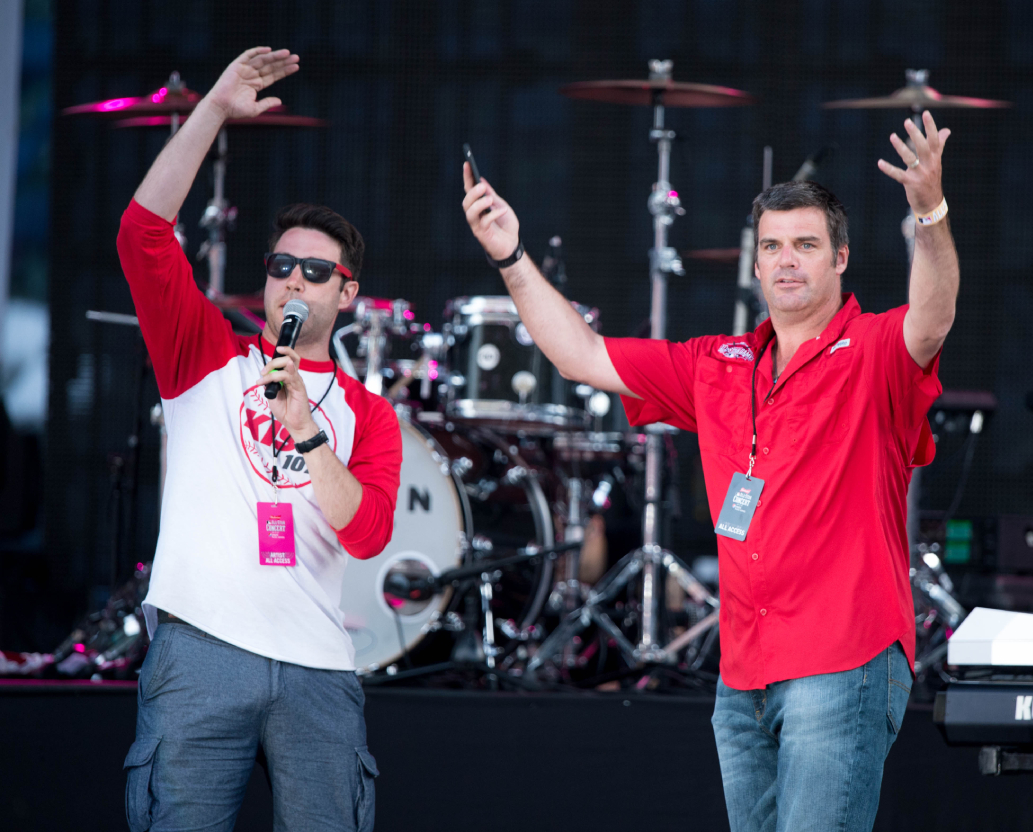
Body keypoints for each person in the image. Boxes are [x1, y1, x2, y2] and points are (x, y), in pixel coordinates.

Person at [462, 111, 958, 831]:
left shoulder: (876, 348)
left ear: (841, 258)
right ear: (754, 264)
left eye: (807, 246)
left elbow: (934, 316)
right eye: (773, 247)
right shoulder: (717, 364)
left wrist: (929, 213)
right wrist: (511, 257)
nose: (788, 260)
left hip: (842, 660)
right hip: (743, 674)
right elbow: (581, 356)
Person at [117, 47, 401, 832]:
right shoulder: (205, 355)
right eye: (283, 266)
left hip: (317, 667)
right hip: (203, 650)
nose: (294, 282)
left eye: (316, 273)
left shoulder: (368, 415)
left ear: (348, 294)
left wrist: (308, 431)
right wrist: (210, 109)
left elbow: (369, 531)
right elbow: (142, 235)